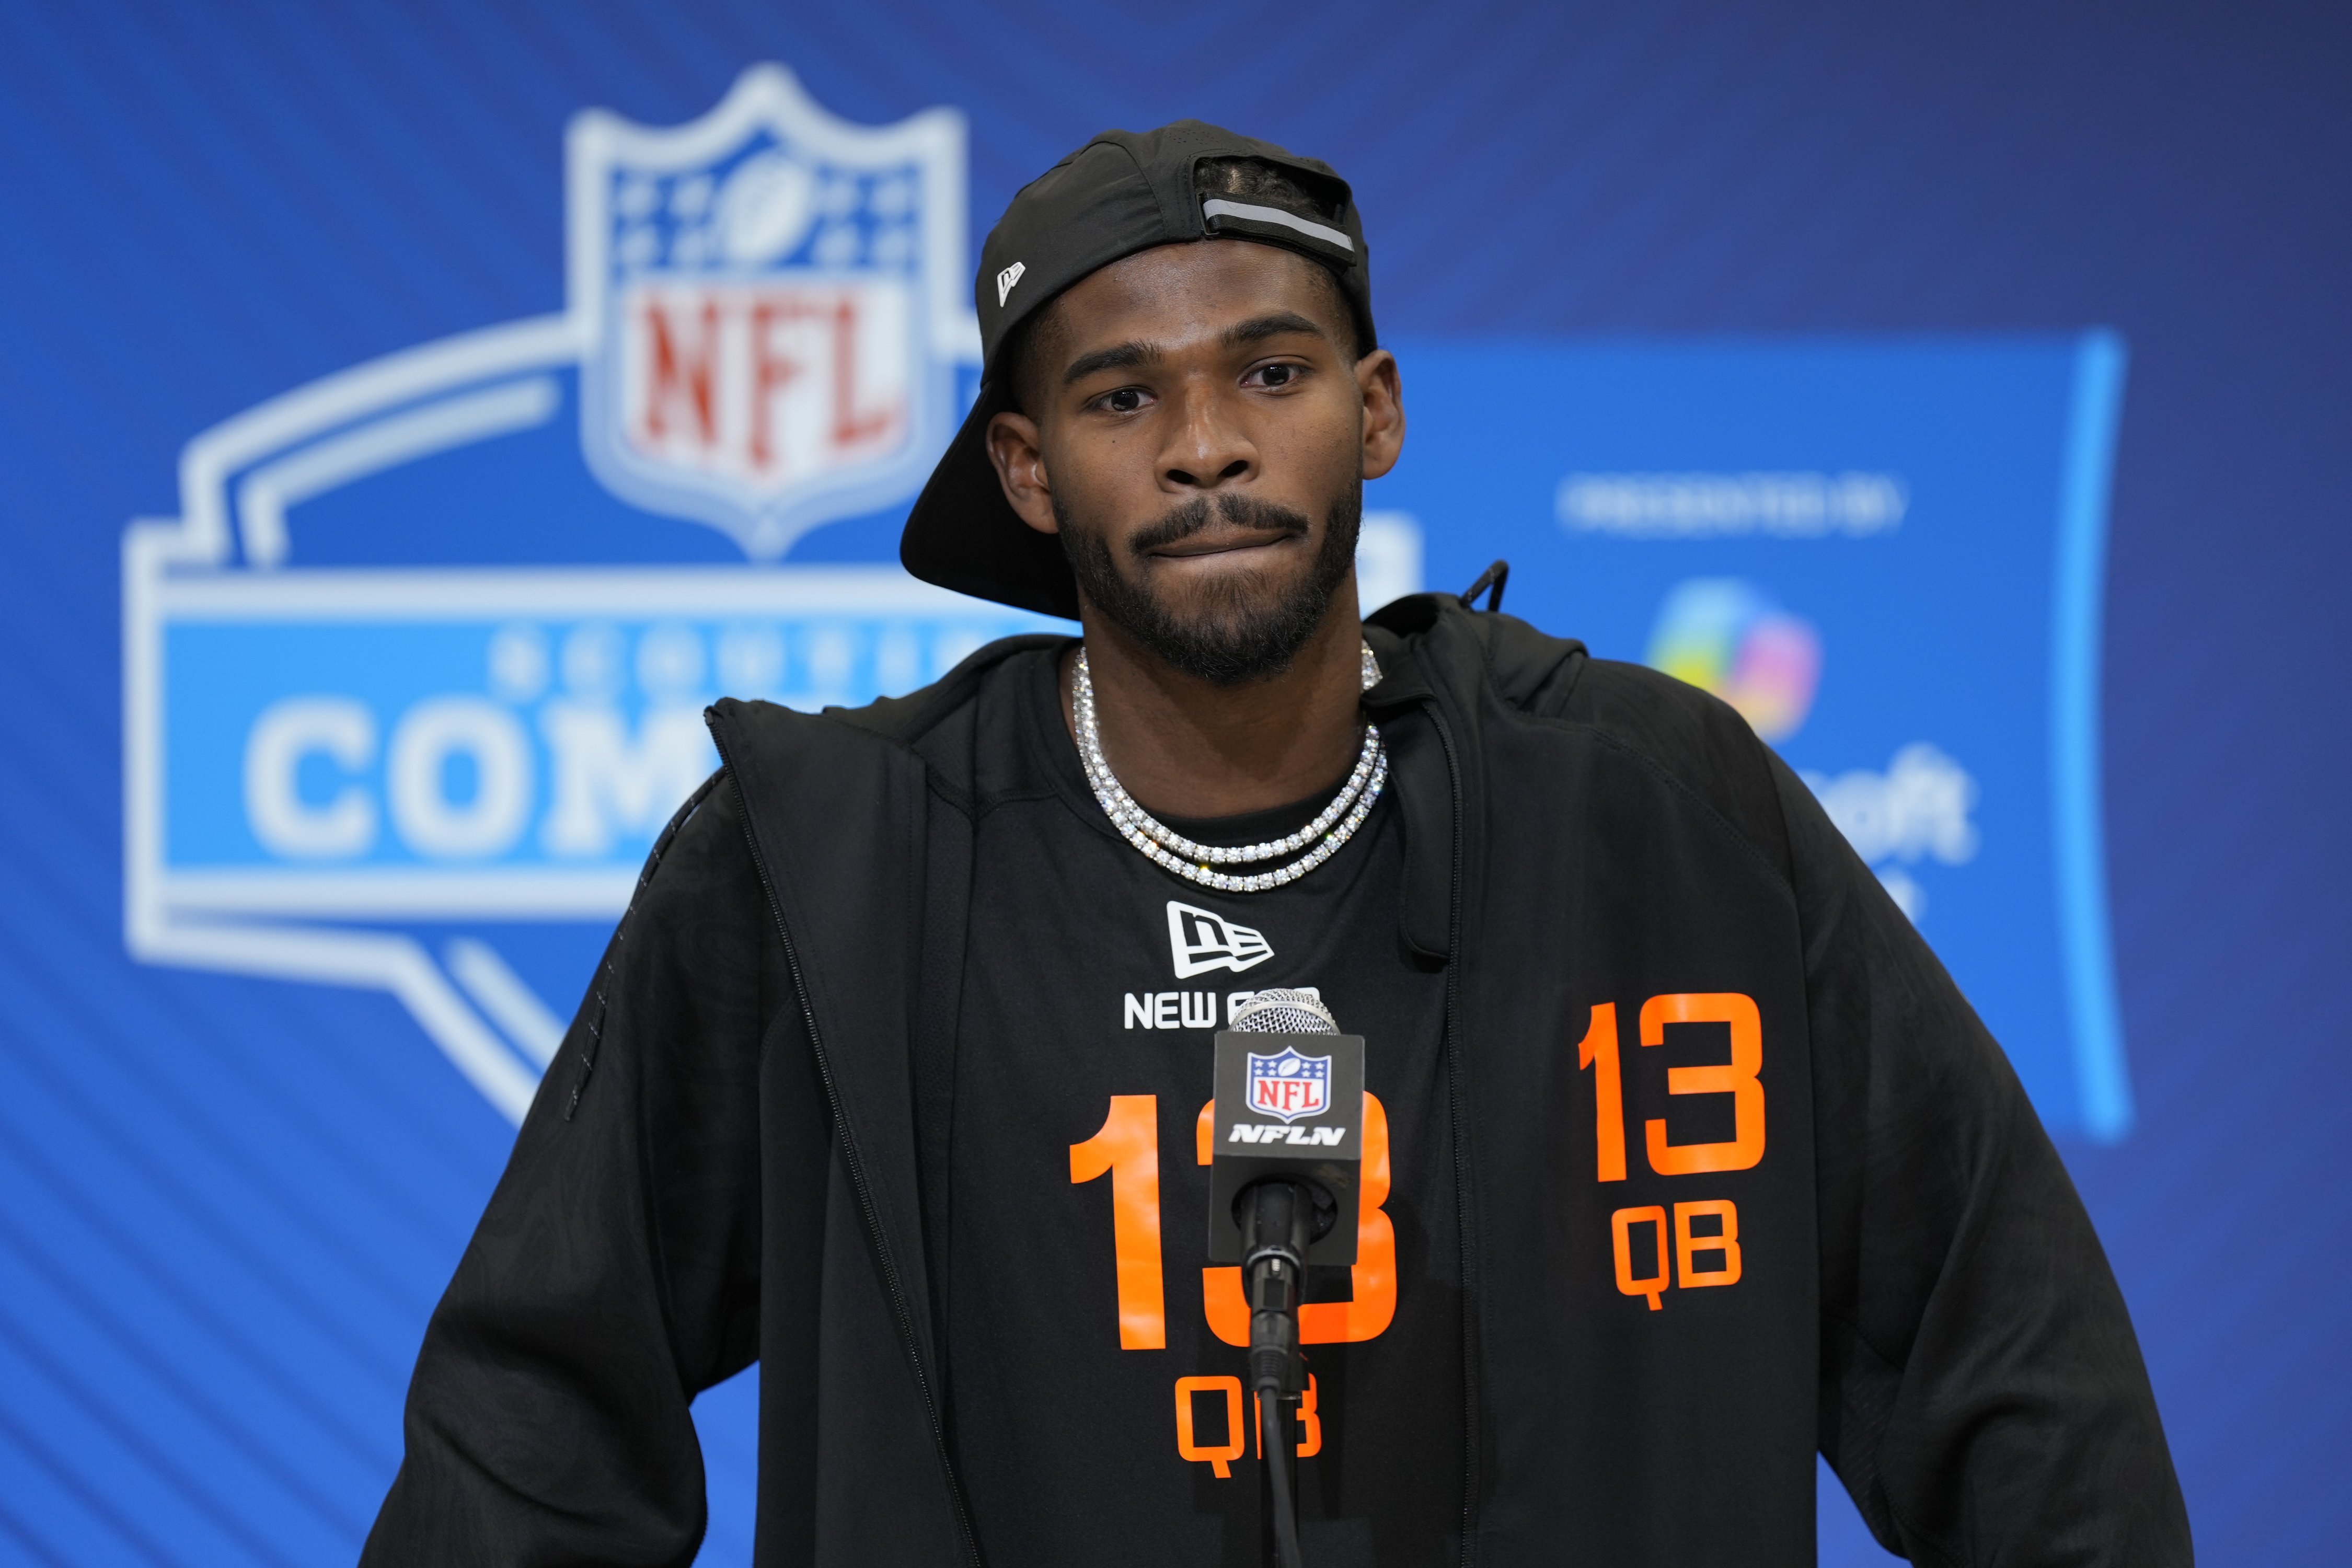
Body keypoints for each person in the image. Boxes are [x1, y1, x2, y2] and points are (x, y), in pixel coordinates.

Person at [361, 122, 2190, 1567]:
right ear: (1024, 471)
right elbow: (532, 1430)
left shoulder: (1658, 810)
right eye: (1120, 397)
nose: (1205, 449)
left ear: (1374, 411)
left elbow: (2011, 1375)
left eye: (1270, 374)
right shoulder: (819, 870)